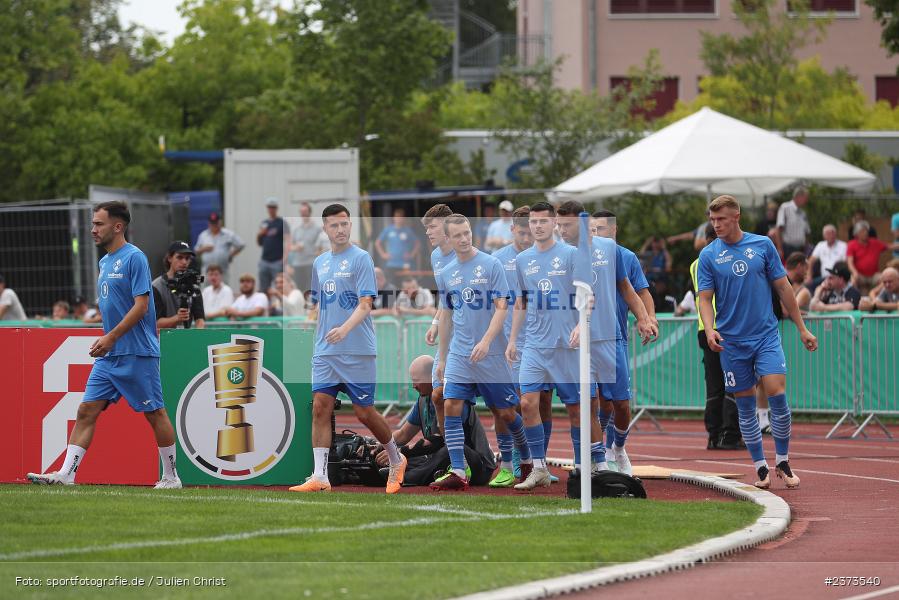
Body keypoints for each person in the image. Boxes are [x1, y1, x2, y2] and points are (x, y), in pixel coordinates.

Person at [27, 201, 181, 488]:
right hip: (110, 356)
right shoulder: (104, 261)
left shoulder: (135, 258)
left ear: (118, 226)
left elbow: (141, 306)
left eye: (99, 224)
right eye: (93, 223)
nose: (93, 229)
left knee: (155, 412)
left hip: (137, 352)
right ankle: (66, 475)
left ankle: (171, 477)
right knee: (87, 410)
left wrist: (111, 336)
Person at [698, 195, 818, 490]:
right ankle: (760, 467)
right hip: (732, 342)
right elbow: (704, 298)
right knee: (746, 404)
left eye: (721, 219)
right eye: (713, 220)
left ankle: (784, 460)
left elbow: (783, 287)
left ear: (736, 216)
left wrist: (802, 328)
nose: (716, 225)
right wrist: (710, 329)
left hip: (765, 335)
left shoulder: (762, 245)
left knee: (777, 393)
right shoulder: (709, 255)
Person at [290, 204, 407, 494]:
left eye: (344, 224)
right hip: (325, 351)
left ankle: (396, 457)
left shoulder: (362, 259)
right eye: (334, 225)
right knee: (320, 406)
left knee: (364, 412)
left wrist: (344, 329)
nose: (340, 230)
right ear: (325, 229)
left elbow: (366, 304)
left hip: (357, 350)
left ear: (350, 225)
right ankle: (320, 476)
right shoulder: (320, 262)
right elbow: (318, 301)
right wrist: (311, 319)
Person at [556, 203, 657, 476]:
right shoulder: (560, 255)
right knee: (589, 402)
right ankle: (599, 461)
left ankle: (619, 448)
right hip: (579, 344)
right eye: (559, 225)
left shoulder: (610, 249)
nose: (560, 230)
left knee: (621, 404)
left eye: (566, 225)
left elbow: (627, 288)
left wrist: (645, 318)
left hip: (612, 338)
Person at [433, 214, 531, 491]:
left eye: (467, 233)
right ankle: (458, 471)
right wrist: (442, 358)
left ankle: (523, 460)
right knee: (450, 404)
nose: (464, 239)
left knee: (505, 413)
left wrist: (487, 341)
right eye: (458, 235)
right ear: (449, 239)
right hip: (460, 354)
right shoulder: (446, 272)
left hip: (492, 354)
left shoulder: (491, 264)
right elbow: (446, 315)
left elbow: (503, 306)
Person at [493, 205, 555, 488]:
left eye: (530, 231)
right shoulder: (498, 259)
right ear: (513, 230)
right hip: (512, 343)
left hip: (544, 341)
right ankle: (515, 459)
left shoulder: (546, 255)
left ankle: (540, 461)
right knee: (513, 403)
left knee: (543, 402)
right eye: (522, 231)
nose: (527, 236)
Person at [371, 355, 496, 486]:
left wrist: (401, 451)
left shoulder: (454, 400)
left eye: (417, 380)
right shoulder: (422, 400)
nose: (414, 386)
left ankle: (405, 478)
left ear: (432, 378)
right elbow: (404, 434)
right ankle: (382, 471)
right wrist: (382, 446)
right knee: (406, 456)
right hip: (441, 458)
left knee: (448, 450)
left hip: (476, 466)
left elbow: (441, 439)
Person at [689, 225, 742, 450]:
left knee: (714, 384)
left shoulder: (695, 264)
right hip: (724, 326)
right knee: (732, 382)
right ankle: (729, 434)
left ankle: (714, 434)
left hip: (705, 328)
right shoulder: (719, 259)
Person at [421, 203, 456, 437]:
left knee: (502, 408)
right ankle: (452, 456)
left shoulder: (462, 253)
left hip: (470, 335)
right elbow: (445, 298)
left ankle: (518, 457)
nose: (427, 232)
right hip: (449, 334)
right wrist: (435, 322)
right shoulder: (436, 256)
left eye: (431, 227)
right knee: (438, 395)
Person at [153, 241, 206, 330]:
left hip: (185, 339)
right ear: (169, 258)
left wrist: (198, 338)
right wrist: (177, 318)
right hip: (162, 340)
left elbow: (200, 319)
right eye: (180, 257)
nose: (184, 262)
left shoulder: (194, 286)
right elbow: (155, 323)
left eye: (187, 258)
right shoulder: (156, 286)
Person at [847, 221, 897, 295]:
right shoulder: (851, 244)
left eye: (866, 230)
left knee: (885, 279)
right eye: (862, 231)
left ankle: (879, 296)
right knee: (853, 279)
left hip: (874, 275)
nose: (865, 233)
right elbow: (849, 262)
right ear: (856, 234)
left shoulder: (875, 242)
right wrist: (854, 272)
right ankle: (854, 299)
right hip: (859, 274)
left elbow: (890, 246)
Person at [287, 202, 327, 292]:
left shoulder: (317, 229)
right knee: (298, 289)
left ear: (309, 212)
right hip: (298, 264)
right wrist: (295, 247)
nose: (303, 213)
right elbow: (290, 247)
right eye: (301, 211)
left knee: (310, 289)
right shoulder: (296, 229)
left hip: (311, 264)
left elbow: (321, 247)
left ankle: (310, 305)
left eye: (305, 211)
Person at [193, 212, 244, 280]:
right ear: (209, 223)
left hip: (222, 269)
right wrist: (203, 249)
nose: (214, 225)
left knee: (224, 289)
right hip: (207, 270)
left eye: (216, 223)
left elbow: (241, 244)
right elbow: (196, 251)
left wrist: (230, 255)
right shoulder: (203, 235)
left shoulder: (228, 234)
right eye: (212, 223)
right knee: (205, 289)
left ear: (220, 222)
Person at [375, 207, 420, 282]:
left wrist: (412, 255)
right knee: (392, 284)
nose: (399, 219)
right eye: (397, 217)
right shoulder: (388, 229)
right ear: (393, 218)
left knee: (405, 284)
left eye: (401, 217)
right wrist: (383, 254)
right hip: (391, 264)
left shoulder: (407, 230)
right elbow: (377, 242)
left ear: (404, 219)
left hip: (405, 264)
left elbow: (417, 243)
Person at [256, 197, 288, 294]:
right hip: (264, 260)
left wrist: (285, 258)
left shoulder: (281, 222)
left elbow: (288, 240)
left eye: (273, 207)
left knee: (279, 286)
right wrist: (260, 234)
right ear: (267, 208)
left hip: (277, 261)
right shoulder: (264, 223)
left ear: (276, 208)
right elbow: (259, 243)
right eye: (269, 207)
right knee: (263, 287)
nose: (271, 209)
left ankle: (278, 306)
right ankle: (265, 306)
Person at [774, 186, 811, 258]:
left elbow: (807, 232)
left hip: (801, 249)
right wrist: (779, 249)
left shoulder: (803, 213)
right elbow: (778, 229)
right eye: (805, 198)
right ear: (798, 197)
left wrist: (806, 248)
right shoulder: (785, 208)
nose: (807, 201)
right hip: (788, 249)